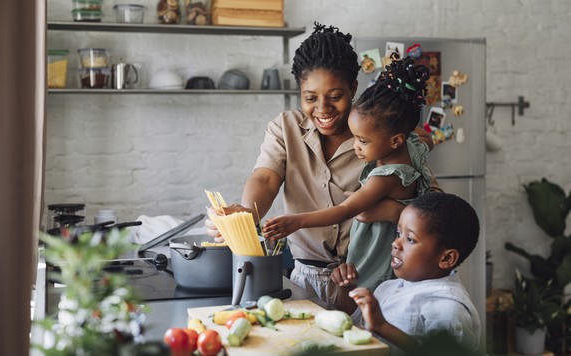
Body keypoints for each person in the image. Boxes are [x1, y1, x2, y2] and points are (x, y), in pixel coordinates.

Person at [205, 22, 439, 304]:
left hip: (373, 278)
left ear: (353, 88)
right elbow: (265, 179)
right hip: (305, 279)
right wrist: (245, 215)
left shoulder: (382, 135)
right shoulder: (285, 127)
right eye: (310, 98)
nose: (323, 109)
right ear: (300, 91)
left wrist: (391, 211)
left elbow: (435, 204)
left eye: (335, 97)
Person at [262, 54, 433, 293]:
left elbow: (345, 211)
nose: (355, 146)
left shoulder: (384, 175)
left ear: (353, 88)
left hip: (368, 269)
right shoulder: (407, 147)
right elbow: (426, 139)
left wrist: (297, 221)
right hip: (317, 272)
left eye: (361, 141)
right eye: (310, 97)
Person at [335, 192, 481, 353]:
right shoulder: (388, 287)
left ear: (446, 258)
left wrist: (383, 327)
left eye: (410, 239)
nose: (396, 243)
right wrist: (346, 287)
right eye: (398, 233)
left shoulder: (448, 309)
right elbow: (355, 324)